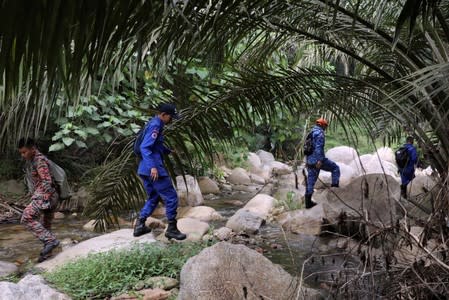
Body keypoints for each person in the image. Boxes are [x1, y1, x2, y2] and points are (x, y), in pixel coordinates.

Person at [134, 103, 186, 240]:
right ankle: (172, 229)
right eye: (171, 117)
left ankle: (140, 224)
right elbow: (145, 147)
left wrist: (168, 151)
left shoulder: (154, 123)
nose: (171, 120)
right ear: (163, 115)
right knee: (171, 197)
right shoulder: (156, 125)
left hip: (144, 169)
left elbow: (155, 146)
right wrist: (153, 167)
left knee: (154, 197)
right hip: (153, 169)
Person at [18, 138, 60, 262]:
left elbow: (47, 181)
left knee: (26, 217)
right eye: (21, 153)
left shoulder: (39, 160)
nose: (23, 155)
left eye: (24, 152)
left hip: (47, 195)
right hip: (52, 195)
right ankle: (47, 255)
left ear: (32, 148)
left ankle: (51, 241)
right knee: (46, 224)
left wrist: (40, 198)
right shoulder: (35, 160)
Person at [304, 118, 340, 209]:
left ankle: (308, 203)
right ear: (322, 125)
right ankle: (335, 191)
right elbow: (318, 148)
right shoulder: (320, 134)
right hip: (318, 161)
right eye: (325, 126)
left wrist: (308, 161)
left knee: (310, 181)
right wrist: (319, 160)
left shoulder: (311, 132)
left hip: (310, 161)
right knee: (335, 168)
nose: (325, 128)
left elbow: (307, 148)